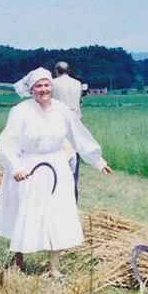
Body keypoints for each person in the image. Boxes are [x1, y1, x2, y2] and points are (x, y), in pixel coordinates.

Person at [0, 67, 112, 275]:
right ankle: (19, 259)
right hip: (28, 167)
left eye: (47, 85)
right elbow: (5, 143)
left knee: (57, 213)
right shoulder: (20, 111)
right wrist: (16, 167)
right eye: (39, 86)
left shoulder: (61, 110)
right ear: (31, 89)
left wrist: (97, 160)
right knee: (25, 212)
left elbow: (78, 136)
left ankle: (54, 267)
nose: (44, 89)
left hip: (57, 167)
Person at [51, 60, 84, 198]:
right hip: (75, 123)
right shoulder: (77, 84)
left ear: (57, 71)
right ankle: (73, 192)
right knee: (74, 155)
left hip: (58, 122)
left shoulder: (53, 83)